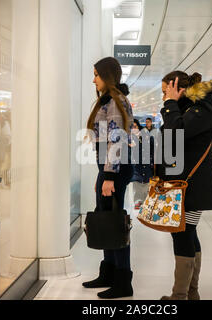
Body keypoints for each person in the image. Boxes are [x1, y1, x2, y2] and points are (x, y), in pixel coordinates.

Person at [157, 71, 212, 300]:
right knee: (186, 233)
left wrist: (170, 104)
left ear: (177, 88)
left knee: (183, 234)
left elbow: (176, 132)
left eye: (165, 90)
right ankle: (191, 292)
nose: (163, 95)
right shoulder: (190, 109)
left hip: (193, 185)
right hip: (186, 184)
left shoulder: (201, 110)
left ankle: (180, 295)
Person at [82, 57, 134, 299]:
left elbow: (117, 139)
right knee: (106, 218)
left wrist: (109, 175)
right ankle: (110, 272)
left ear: (107, 76)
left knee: (114, 221)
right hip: (109, 168)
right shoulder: (108, 100)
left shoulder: (114, 101)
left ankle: (123, 280)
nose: (93, 79)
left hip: (116, 168)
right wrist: (102, 175)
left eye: (96, 74)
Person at [130, 119, 154, 209]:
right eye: (131, 127)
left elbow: (152, 150)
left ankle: (146, 201)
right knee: (137, 183)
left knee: (147, 182)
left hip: (147, 163)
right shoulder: (130, 138)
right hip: (136, 165)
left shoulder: (147, 137)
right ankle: (138, 201)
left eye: (135, 126)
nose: (133, 129)